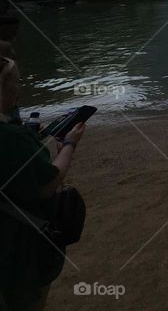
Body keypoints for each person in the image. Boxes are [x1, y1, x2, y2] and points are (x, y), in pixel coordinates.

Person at [0, 56, 86, 310]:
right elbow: (49, 183)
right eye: (16, 82)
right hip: (13, 246)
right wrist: (69, 145)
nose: (20, 88)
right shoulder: (10, 137)